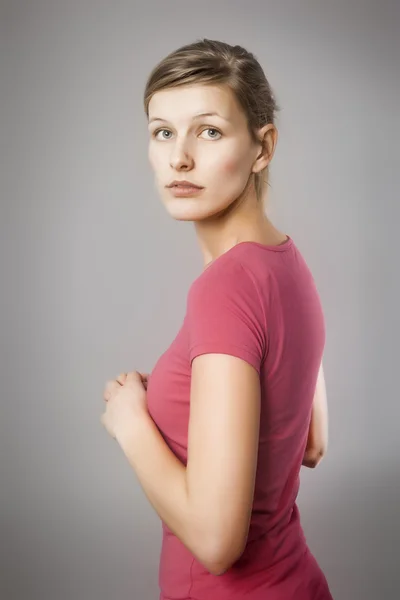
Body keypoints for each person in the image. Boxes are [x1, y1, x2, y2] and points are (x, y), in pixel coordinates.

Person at [101, 39, 333, 600]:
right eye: (163, 132)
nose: (180, 158)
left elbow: (216, 541)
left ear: (262, 147)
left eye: (208, 131)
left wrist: (130, 422)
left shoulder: (225, 289)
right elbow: (310, 443)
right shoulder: (287, 262)